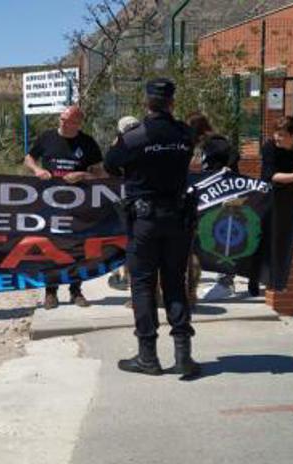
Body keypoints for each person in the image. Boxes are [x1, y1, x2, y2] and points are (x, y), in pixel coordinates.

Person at [104, 78, 201, 379]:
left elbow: (110, 165)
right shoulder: (185, 135)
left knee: (143, 286)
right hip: (177, 218)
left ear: (147, 102)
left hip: (145, 221)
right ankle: (183, 357)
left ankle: (148, 357)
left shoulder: (135, 137)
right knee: (175, 282)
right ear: (171, 102)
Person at [24, 105, 105, 310]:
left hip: (78, 204)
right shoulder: (47, 137)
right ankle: (51, 292)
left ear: (77, 123)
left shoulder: (87, 143)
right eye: (61, 118)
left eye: (66, 120)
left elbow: (100, 173)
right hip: (49, 202)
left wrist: (83, 175)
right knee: (51, 246)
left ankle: (76, 290)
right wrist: (37, 169)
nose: (61, 122)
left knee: (77, 247)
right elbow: (29, 158)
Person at [248, 116, 293, 296]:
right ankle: (254, 280)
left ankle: (276, 281)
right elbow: (270, 176)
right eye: (275, 134)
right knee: (263, 237)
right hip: (270, 196)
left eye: (281, 135)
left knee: (284, 239)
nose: (276, 138)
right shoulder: (269, 147)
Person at [188, 113, 242, 301]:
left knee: (223, 236)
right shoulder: (206, 145)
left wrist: (227, 167)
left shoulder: (214, 141)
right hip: (217, 194)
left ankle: (226, 282)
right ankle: (224, 279)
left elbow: (234, 154)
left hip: (225, 194)